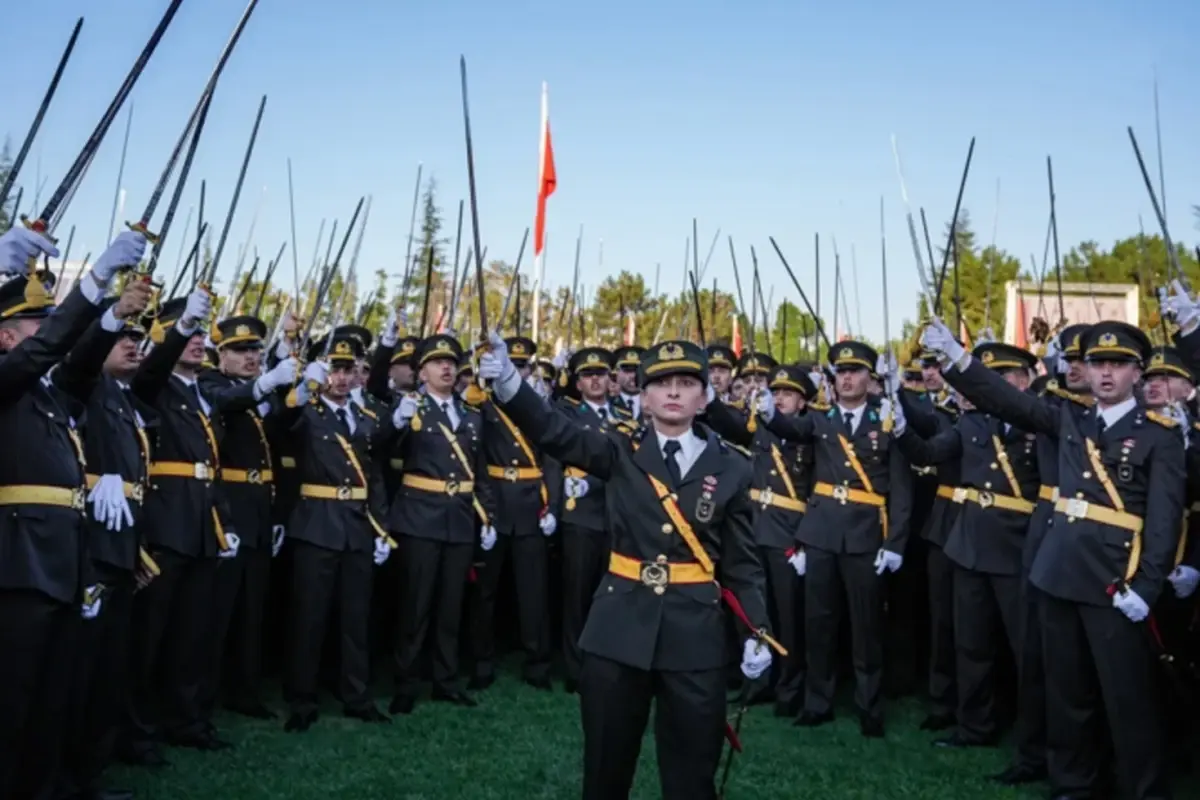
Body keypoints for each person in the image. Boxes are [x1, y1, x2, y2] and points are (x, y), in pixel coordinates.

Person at [479, 335, 775, 800]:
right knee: (605, 769)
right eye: (661, 383)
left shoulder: (733, 468)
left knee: (692, 775)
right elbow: (555, 431)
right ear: (644, 397)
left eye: (686, 383)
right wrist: (511, 384)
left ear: (704, 399)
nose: (673, 391)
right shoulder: (618, 448)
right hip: (618, 629)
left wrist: (757, 628)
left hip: (695, 634)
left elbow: (742, 564)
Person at [924, 317, 1184, 800]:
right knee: (1067, 691)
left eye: (1118, 364)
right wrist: (958, 359)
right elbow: (1007, 400)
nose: (1105, 373)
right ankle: (1073, 784)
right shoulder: (1069, 418)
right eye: (1098, 363)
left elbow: (1164, 520)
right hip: (1058, 572)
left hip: (1116, 581)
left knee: (1127, 697)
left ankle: (1144, 789)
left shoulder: (1159, 435)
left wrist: (1148, 586)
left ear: (1138, 372)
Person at [754, 340, 913, 737]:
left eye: (854, 371)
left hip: (865, 534)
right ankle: (817, 702)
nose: (847, 379)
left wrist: (894, 543)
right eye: (840, 372)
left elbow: (901, 489)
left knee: (866, 627)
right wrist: (768, 412)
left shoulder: (886, 418)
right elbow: (791, 428)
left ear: (869, 377)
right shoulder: (821, 419)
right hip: (821, 533)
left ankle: (869, 706)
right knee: (818, 623)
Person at [892, 342, 1040, 748]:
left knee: (1026, 649)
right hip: (970, 544)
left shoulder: (1039, 422)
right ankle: (975, 725)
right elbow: (929, 452)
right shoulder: (972, 423)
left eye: (1002, 377)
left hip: (1018, 545)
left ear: (1024, 381)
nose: (991, 385)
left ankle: (1035, 737)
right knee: (970, 643)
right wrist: (901, 429)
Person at [127, 287, 238, 761]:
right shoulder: (153, 384)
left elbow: (212, 467)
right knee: (150, 636)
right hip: (166, 523)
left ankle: (186, 720)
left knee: (193, 634)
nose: (197, 341)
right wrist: (181, 328)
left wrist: (223, 522)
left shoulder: (203, 392)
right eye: (185, 334)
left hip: (201, 525)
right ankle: (138, 732)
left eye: (198, 334)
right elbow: (152, 368)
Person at [61, 286, 158, 800]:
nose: (132, 344)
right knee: (81, 667)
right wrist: (111, 314)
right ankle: (70, 772)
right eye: (122, 337)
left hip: (120, 543)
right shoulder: (82, 384)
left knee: (108, 665)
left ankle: (92, 770)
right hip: (89, 546)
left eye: (137, 337)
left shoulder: (122, 397)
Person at [279, 332, 393, 731]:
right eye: (334, 370)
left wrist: (381, 527)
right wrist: (299, 389)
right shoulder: (306, 412)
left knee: (355, 618)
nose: (342, 378)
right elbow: (281, 424)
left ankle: (357, 696)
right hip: (317, 523)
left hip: (357, 526)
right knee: (309, 617)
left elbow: (374, 476)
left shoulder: (364, 418)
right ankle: (302, 699)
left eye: (348, 370)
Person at [388, 335, 497, 715]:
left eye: (451, 362)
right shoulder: (410, 408)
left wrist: (488, 516)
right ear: (422, 373)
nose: (447, 368)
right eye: (437, 363)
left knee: (451, 607)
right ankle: (406, 683)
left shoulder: (470, 413)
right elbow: (383, 450)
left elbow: (479, 470)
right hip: (419, 517)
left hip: (459, 519)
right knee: (415, 607)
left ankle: (445, 681)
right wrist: (397, 422)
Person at [199, 314, 296, 720]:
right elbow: (228, 402)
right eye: (239, 350)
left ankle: (244, 689)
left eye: (255, 349)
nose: (250, 357)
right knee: (218, 609)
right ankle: (203, 694)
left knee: (252, 609)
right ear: (221, 355)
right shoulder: (211, 383)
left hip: (259, 508)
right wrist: (267, 382)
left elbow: (281, 448)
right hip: (229, 507)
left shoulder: (262, 392)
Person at [704, 363, 814, 717]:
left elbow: (817, 491)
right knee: (754, 613)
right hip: (755, 528)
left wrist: (806, 540)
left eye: (788, 394)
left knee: (788, 616)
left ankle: (790, 688)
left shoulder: (811, 432)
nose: (780, 399)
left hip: (789, 533)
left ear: (803, 402)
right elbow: (729, 426)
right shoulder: (759, 427)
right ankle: (757, 681)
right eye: (776, 392)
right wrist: (710, 398)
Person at [469, 335, 560, 691]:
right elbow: (475, 457)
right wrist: (484, 509)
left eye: (523, 366)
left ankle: (538, 663)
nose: (518, 371)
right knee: (485, 591)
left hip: (531, 504)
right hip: (494, 502)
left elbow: (551, 458)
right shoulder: (482, 402)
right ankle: (481, 661)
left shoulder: (536, 406)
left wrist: (552, 505)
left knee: (533, 591)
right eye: (513, 365)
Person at [555, 346, 624, 694]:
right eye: (587, 375)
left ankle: (605, 664)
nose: (595, 380)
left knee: (610, 598)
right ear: (578, 383)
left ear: (611, 379)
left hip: (615, 516)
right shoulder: (568, 414)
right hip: (580, 514)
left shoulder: (624, 415)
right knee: (577, 597)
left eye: (601, 374)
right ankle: (574, 668)